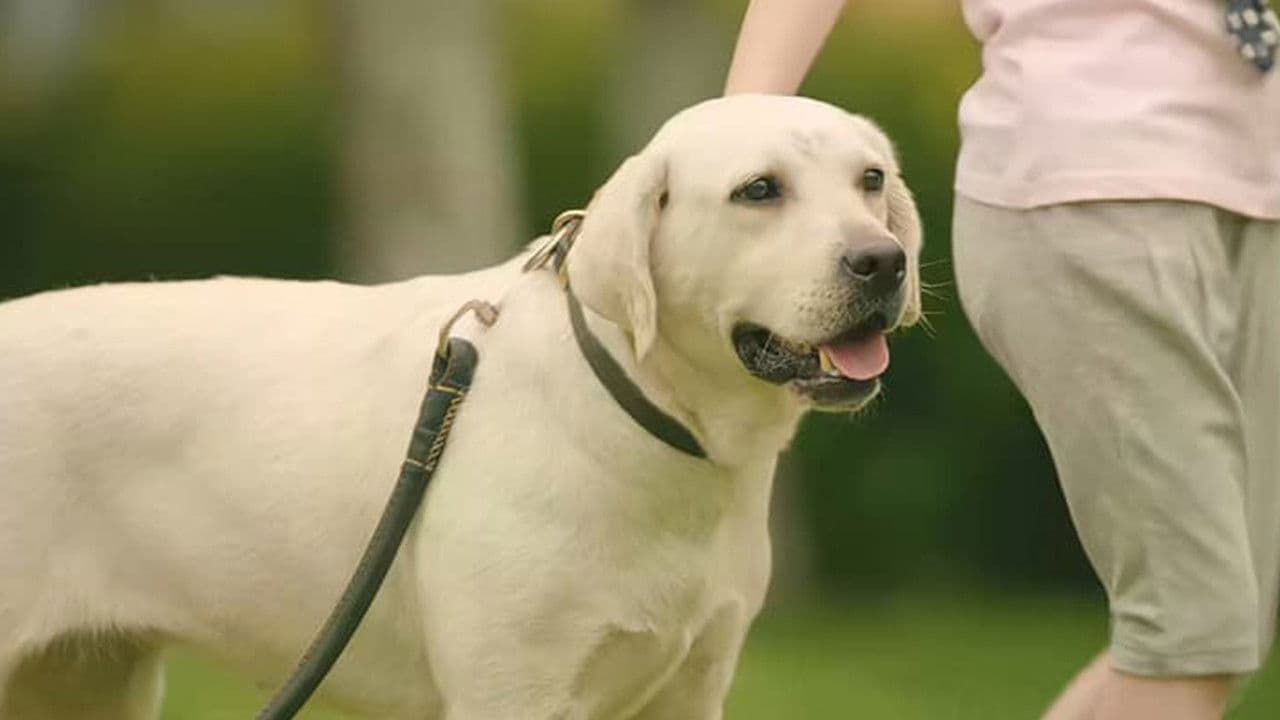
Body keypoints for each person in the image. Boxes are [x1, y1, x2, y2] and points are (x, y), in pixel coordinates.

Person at [723, 1, 1280, 719]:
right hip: (1091, 183)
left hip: (1252, 183)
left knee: (1222, 626)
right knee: (1191, 635)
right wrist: (736, 131)